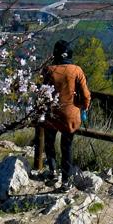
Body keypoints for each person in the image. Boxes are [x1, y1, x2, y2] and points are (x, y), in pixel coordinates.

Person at [41, 40, 90, 188]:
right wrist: (84, 107)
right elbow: (86, 95)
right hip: (70, 114)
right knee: (66, 147)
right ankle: (66, 181)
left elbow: (42, 92)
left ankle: (52, 171)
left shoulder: (48, 70)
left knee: (49, 142)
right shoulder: (76, 70)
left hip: (52, 113)